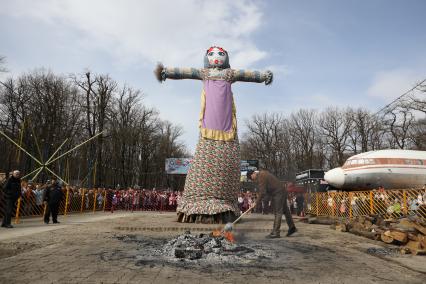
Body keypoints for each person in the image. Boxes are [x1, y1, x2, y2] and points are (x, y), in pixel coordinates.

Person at [247, 169, 297, 238]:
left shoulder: (261, 176)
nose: (252, 180)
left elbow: (262, 192)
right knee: (285, 210)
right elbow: (265, 191)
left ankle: (276, 232)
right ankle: (292, 227)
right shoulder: (262, 174)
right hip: (280, 191)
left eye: (251, 178)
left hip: (278, 192)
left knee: (278, 212)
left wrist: (256, 202)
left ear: (253, 174)